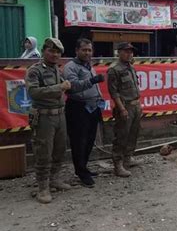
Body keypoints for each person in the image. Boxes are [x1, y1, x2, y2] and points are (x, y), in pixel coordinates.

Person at [25, 38, 71, 203]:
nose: (54, 54)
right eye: (51, 51)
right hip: (44, 116)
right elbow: (34, 93)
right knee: (43, 152)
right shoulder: (35, 70)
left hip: (59, 115)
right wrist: (59, 87)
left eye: (58, 52)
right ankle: (42, 187)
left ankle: (54, 179)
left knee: (59, 150)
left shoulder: (57, 70)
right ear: (44, 51)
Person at [64, 38, 105, 188]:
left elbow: (93, 87)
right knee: (78, 141)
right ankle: (81, 173)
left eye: (89, 50)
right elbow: (72, 87)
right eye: (84, 50)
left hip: (92, 107)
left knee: (89, 139)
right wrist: (93, 81)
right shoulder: (71, 67)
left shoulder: (89, 66)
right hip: (77, 108)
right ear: (76, 51)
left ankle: (84, 167)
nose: (87, 52)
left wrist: (100, 98)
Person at [107, 42, 142, 177]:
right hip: (124, 106)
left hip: (135, 105)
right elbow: (114, 92)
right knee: (121, 135)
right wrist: (121, 109)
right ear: (119, 52)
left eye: (131, 52)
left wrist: (138, 105)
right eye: (126, 51)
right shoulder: (114, 69)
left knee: (133, 133)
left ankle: (128, 158)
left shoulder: (130, 67)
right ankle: (118, 164)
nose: (129, 54)